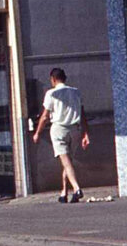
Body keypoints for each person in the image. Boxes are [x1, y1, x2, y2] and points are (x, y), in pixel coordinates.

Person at [32, 68, 90, 203]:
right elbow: (82, 114)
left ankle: (76, 188)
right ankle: (64, 192)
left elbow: (45, 116)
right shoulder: (76, 92)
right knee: (67, 161)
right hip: (75, 129)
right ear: (65, 78)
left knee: (66, 162)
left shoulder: (51, 93)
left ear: (53, 79)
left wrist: (37, 133)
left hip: (59, 129)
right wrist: (85, 133)